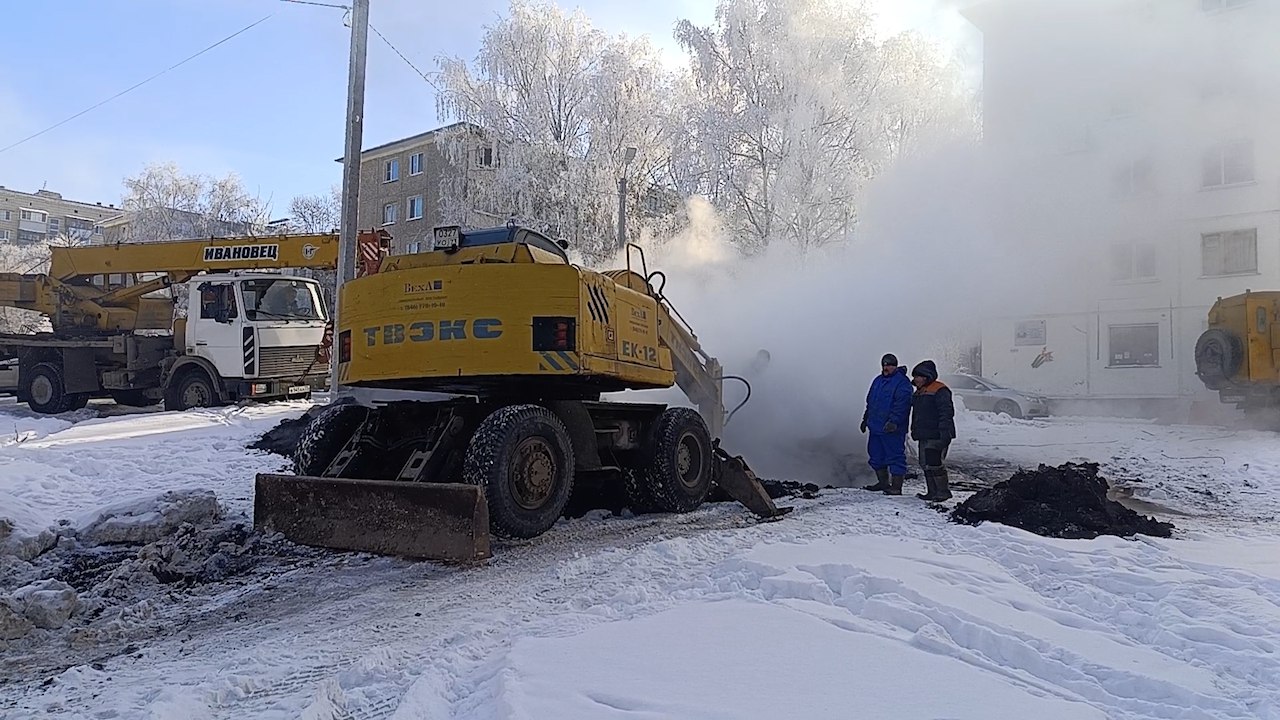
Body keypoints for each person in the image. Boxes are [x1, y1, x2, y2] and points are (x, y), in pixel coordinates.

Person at [860, 353, 913, 495]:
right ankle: (883, 483)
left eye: (889, 365)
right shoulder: (878, 381)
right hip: (875, 426)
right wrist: (866, 419)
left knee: (895, 456)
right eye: (884, 365)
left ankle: (896, 487)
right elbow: (871, 402)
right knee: (876, 455)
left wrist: (894, 421)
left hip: (892, 429)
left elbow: (902, 405)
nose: (886, 367)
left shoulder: (902, 382)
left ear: (895, 366)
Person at [909, 360, 956, 501]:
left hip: (937, 433)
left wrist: (944, 432)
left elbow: (946, 412)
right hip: (924, 434)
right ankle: (932, 492)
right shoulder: (919, 392)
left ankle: (943, 491)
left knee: (935, 463)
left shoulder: (940, 390)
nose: (915, 379)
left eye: (918, 376)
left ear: (926, 376)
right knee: (925, 464)